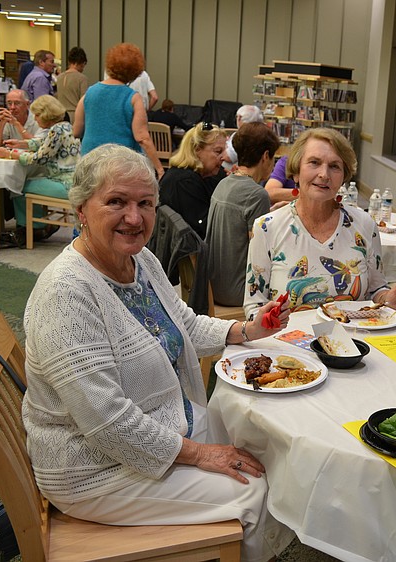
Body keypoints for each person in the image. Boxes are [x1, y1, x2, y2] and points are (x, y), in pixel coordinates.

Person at [21, 144, 295, 562]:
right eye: (116, 202)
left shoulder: (140, 260)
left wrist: (248, 329)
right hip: (97, 470)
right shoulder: (66, 294)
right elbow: (107, 422)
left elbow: (182, 325)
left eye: (145, 203)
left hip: (160, 426)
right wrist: (202, 455)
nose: (135, 217)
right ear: (81, 209)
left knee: (262, 444)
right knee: (254, 490)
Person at [244, 127, 396, 318]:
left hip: (356, 340)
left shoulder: (364, 225)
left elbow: (376, 291)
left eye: (334, 166)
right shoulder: (267, 228)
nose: (324, 174)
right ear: (295, 172)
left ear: (343, 176)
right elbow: (255, 307)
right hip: (289, 342)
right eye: (314, 163)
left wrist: (389, 298)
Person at [206, 123, 279, 306]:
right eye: (273, 158)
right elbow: (262, 253)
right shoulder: (257, 194)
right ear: (265, 156)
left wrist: (270, 214)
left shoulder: (224, 183)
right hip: (237, 292)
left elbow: (238, 223)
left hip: (212, 285)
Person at [0, 95, 80, 242]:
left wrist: (10, 153)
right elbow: (44, 143)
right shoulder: (64, 126)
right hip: (73, 181)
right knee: (27, 183)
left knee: (18, 187)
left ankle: (32, 229)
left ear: (45, 115)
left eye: (37, 115)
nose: (35, 119)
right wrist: (21, 144)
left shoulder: (55, 131)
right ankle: (35, 226)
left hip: (65, 185)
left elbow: (39, 158)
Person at [73, 43, 165, 178]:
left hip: (89, 164)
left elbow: (76, 131)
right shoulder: (133, 98)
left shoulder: (89, 93)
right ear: (135, 71)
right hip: (120, 167)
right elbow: (142, 137)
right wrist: (159, 168)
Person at [158, 122, 228, 238]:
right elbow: (205, 229)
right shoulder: (185, 182)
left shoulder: (206, 174)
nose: (224, 157)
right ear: (197, 150)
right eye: (218, 151)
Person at [56, 46, 89, 122]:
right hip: (76, 116)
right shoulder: (82, 78)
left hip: (60, 115)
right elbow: (84, 101)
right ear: (82, 63)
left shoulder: (59, 77)